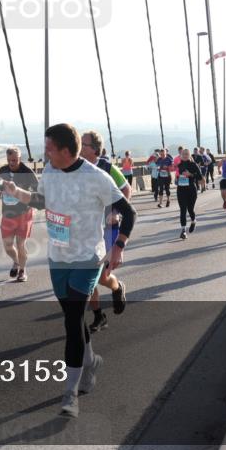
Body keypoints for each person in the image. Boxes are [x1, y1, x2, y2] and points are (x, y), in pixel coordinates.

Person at [2, 123, 136, 418]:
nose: (45, 152)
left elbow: (129, 211)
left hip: (87, 257)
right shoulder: (50, 171)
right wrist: (18, 192)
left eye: (49, 148)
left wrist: (119, 246)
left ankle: (70, 393)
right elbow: (43, 200)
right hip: (58, 257)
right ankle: (92, 362)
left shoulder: (96, 177)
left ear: (65, 150)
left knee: (73, 318)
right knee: (73, 320)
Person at [79, 131, 131, 333]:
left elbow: (126, 189)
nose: (79, 147)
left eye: (83, 144)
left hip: (107, 229)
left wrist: (115, 211)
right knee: (88, 276)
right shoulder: (77, 167)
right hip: (86, 230)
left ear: (94, 149)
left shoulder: (108, 168)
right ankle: (99, 315)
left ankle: (117, 287)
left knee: (100, 277)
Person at [0, 146, 38, 282]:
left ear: (19, 158)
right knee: (7, 246)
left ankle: (22, 270)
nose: (11, 163)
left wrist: (29, 201)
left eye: (14, 160)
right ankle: (16, 261)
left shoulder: (27, 172)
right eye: (9, 160)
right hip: (7, 214)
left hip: (24, 214)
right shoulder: (2, 170)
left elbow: (38, 192)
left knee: (20, 244)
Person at [174, 148, 203, 238]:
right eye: (183, 154)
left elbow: (200, 177)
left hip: (191, 190)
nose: (185, 155)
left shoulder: (193, 165)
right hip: (181, 189)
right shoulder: (179, 165)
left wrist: (190, 174)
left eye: (187, 154)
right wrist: (176, 179)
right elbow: (177, 176)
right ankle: (183, 231)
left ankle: (193, 221)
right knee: (183, 210)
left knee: (190, 209)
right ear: (180, 155)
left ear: (189, 155)